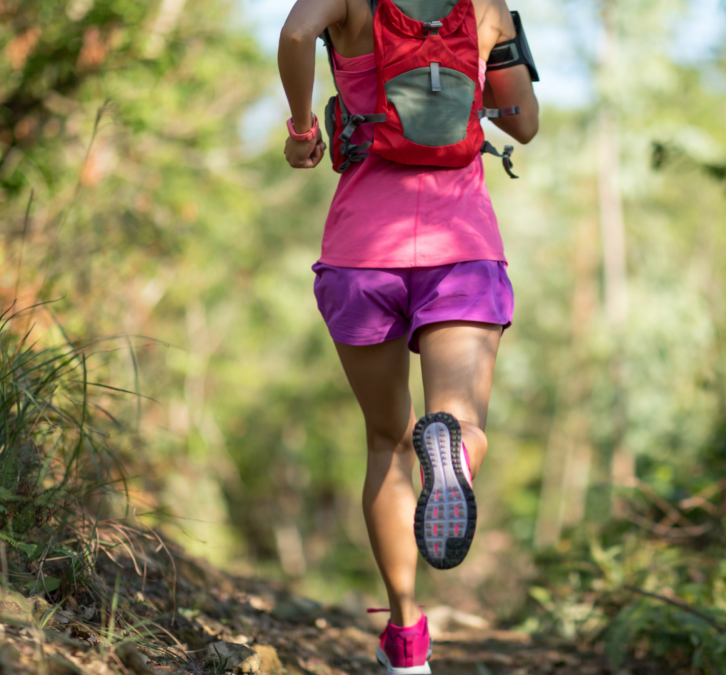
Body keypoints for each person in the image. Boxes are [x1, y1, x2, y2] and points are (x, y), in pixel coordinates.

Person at [278, 0, 538, 671]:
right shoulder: (487, 7)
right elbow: (525, 125)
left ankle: (406, 639)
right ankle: (452, 448)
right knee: (460, 419)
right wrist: (483, 89)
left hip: (363, 251)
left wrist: (304, 128)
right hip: (463, 244)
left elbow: (296, 33)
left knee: (385, 439)